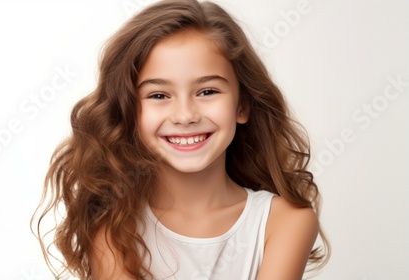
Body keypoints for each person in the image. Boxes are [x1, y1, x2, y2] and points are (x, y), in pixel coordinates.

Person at [32, 0, 330, 279]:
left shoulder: (285, 221)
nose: (185, 115)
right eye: (159, 95)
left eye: (207, 91)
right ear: (129, 113)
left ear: (242, 105)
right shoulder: (114, 229)